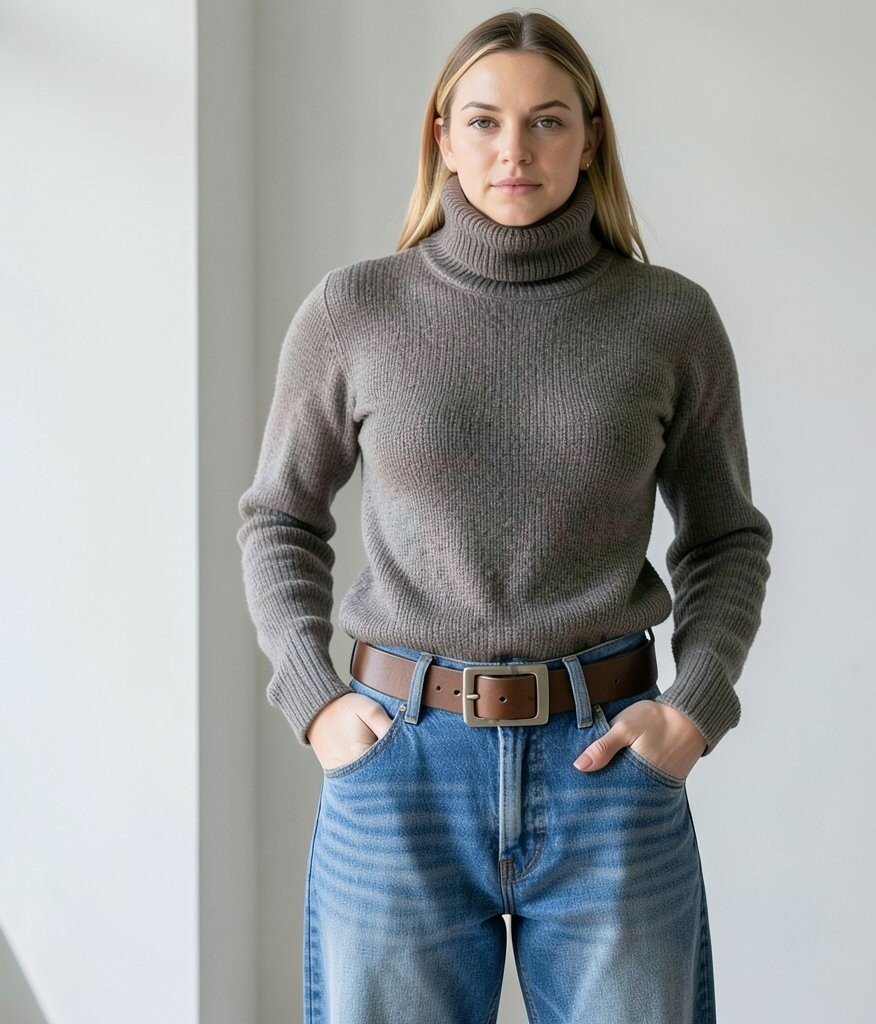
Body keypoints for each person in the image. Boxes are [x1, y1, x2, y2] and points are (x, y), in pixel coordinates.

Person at [237, 9, 772, 1024]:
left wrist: (693, 707)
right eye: (483, 121)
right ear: (442, 136)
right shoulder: (355, 311)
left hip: (606, 767)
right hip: (399, 767)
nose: (513, 150)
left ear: (591, 138)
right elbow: (280, 517)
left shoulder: (669, 319)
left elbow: (724, 538)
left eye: (546, 121)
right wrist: (313, 696)